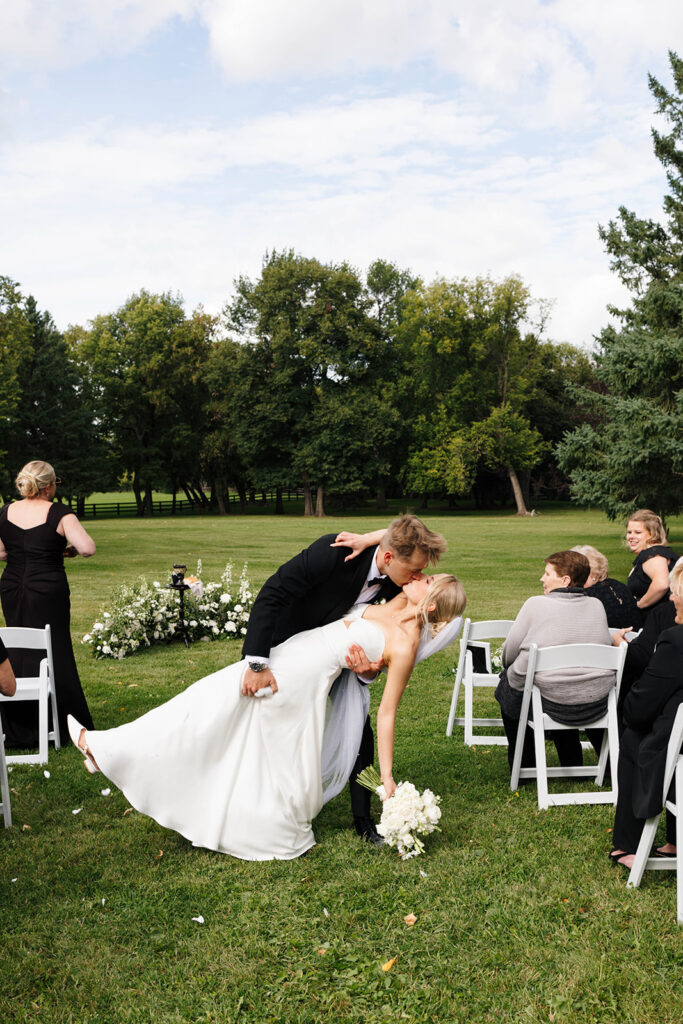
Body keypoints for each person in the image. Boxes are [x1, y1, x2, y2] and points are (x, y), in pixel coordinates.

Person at [67, 573, 466, 861]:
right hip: (291, 652)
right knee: (219, 715)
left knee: (209, 708)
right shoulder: (396, 604)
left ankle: (104, 746)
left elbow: (387, 714)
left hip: (299, 677)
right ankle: (121, 753)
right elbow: (385, 561)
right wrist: (368, 667)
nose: (418, 574)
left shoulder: (406, 643)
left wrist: (387, 776)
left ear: (429, 603)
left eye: (426, 578)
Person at [240, 515, 448, 843]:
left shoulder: (402, 580)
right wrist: (257, 664)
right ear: (390, 558)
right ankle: (261, 803)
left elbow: (388, 642)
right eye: (414, 571)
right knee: (275, 727)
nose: (418, 577)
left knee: (358, 730)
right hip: (285, 649)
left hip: (340, 655)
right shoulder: (334, 552)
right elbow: (272, 593)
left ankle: (363, 819)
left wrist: (369, 672)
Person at [0, 461, 96, 747]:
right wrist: (62, 549)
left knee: (18, 646)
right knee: (56, 648)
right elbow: (88, 548)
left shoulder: (5, 511)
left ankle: (20, 723)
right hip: (47, 588)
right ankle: (64, 720)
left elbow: (2, 552)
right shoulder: (60, 513)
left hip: (12, 585)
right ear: (50, 486)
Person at [495, 550, 615, 771]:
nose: (542, 578)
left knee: (509, 685)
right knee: (568, 683)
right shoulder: (597, 605)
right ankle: (594, 763)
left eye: (547, 573)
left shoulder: (535, 604)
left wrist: (510, 666)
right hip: (595, 700)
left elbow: (509, 653)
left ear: (565, 580)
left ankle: (524, 765)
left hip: (551, 700)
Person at [609, 558, 683, 868]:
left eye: (675, 591)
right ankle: (676, 839)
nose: (670, 598)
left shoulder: (676, 642)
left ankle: (628, 845)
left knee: (636, 735)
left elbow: (638, 709)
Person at [625, 509, 678, 622]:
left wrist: (639, 604)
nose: (631, 537)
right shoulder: (660, 552)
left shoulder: (653, 555)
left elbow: (662, 584)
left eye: (638, 532)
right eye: (629, 532)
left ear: (652, 534)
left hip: (657, 620)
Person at [571, 545, 641, 630]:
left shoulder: (587, 595)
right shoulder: (617, 585)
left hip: (609, 641)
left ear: (594, 575)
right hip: (635, 637)